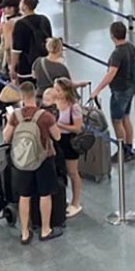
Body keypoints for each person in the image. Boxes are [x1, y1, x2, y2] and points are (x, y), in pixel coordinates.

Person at [3, 81, 63, 242]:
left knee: (24, 196)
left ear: (21, 96)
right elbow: (57, 136)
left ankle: (24, 233)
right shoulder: (45, 116)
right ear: (35, 94)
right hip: (44, 159)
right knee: (45, 194)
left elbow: (6, 137)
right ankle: (45, 230)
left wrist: (9, 121)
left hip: (23, 160)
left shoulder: (16, 116)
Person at [88, 21, 135, 163]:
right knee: (126, 117)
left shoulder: (117, 53)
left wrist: (97, 90)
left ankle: (122, 150)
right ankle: (129, 148)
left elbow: (111, 73)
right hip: (130, 87)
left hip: (119, 90)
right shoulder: (130, 47)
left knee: (117, 121)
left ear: (112, 35)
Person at [52, 77, 84, 218]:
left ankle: (76, 202)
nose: (56, 92)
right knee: (59, 170)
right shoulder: (54, 102)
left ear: (66, 91)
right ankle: (62, 197)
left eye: (59, 90)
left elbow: (77, 128)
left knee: (72, 172)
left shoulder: (74, 107)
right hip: (56, 139)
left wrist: (59, 125)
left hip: (69, 141)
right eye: (55, 89)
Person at [10, 0, 53, 85]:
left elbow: (16, 50)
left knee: (27, 90)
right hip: (44, 64)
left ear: (25, 7)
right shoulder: (44, 19)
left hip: (26, 66)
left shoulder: (20, 24)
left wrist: (12, 67)